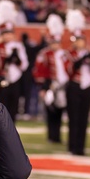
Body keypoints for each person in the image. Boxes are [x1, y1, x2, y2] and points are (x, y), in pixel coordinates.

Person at [64, 9, 90, 157]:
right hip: (74, 86)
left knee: (84, 117)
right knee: (74, 117)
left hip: (86, 87)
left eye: (81, 40)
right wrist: (79, 61)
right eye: (77, 40)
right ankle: (72, 145)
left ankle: (81, 146)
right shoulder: (69, 54)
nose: (80, 43)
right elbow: (69, 70)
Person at [31, 13, 68, 145]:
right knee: (51, 111)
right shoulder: (44, 54)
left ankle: (57, 136)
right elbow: (39, 72)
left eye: (57, 42)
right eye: (54, 42)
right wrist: (43, 87)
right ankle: (52, 136)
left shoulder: (64, 54)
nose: (56, 45)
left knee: (60, 111)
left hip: (63, 86)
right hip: (50, 85)